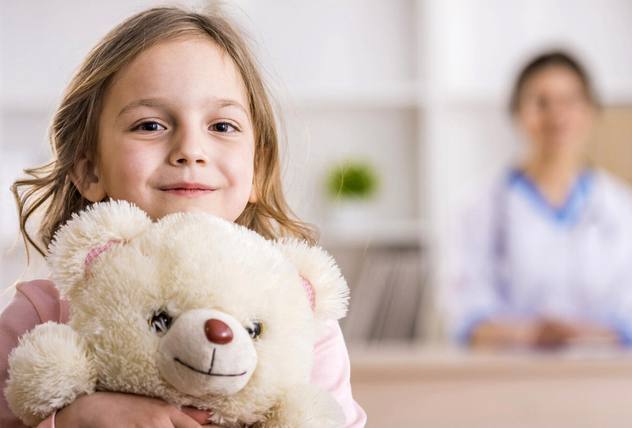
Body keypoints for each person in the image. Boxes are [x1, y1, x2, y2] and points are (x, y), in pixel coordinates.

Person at [0, 7, 367, 428]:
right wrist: (70, 421)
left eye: (223, 126)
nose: (190, 149)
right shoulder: (41, 315)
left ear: (257, 171)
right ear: (90, 169)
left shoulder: (296, 316)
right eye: (151, 125)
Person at [446, 51, 632, 350]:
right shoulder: (477, 207)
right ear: (516, 113)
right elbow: (466, 316)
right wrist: (531, 335)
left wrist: (577, 335)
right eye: (540, 103)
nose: (556, 116)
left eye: (570, 101)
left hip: (601, 378)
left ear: (592, 112)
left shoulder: (624, 208)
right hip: (506, 382)